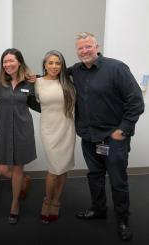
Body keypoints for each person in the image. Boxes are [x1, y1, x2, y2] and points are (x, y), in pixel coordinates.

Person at [69, 32, 144, 241]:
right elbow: (53, 72)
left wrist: (124, 129)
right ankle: (98, 209)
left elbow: (136, 101)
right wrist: (33, 78)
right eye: (80, 48)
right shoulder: (76, 70)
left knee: (118, 180)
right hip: (89, 136)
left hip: (114, 137)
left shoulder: (116, 68)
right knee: (94, 176)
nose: (84, 51)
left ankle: (122, 219)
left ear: (96, 46)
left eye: (88, 47)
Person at [0, 48, 38, 224]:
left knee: (18, 168)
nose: (8, 64)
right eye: (5, 61)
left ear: (19, 62)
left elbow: (38, 104)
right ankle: (23, 180)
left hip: (23, 130)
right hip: (4, 130)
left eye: (11, 60)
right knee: (0, 168)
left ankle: (14, 204)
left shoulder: (29, 82)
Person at [35, 50, 76, 224]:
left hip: (67, 128)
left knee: (63, 168)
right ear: (44, 64)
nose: (54, 66)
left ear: (62, 66)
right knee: (53, 169)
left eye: (57, 63)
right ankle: (47, 200)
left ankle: (56, 201)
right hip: (49, 130)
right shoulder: (36, 82)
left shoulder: (69, 82)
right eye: (50, 63)